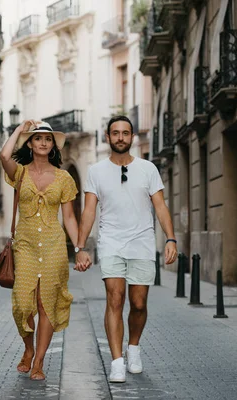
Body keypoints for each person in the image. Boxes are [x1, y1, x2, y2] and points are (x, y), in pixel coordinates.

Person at [74, 115, 177, 383]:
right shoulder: (96, 171)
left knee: (139, 303)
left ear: (132, 137)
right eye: (115, 133)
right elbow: (88, 211)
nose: (120, 137)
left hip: (142, 243)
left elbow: (161, 206)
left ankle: (134, 347)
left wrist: (171, 238)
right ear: (108, 137)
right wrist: (80, 246)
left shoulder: (148, 169)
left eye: (125, 133)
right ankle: (117, 361)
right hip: (111, 243)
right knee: (115, 299)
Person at [0, 119, 80, 381]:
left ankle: (39, 361)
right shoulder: (19, 174)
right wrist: (18, 131)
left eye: (48, 139)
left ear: (53, 145)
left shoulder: (64, 178)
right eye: (38, 138)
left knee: (47, 304)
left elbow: (68, 218)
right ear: (31, 144)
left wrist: (79, 248)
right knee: (23, 303)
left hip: (55, 246)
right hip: (25, 245)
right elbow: (3, 155)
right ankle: (28, 348)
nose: (43, 142)